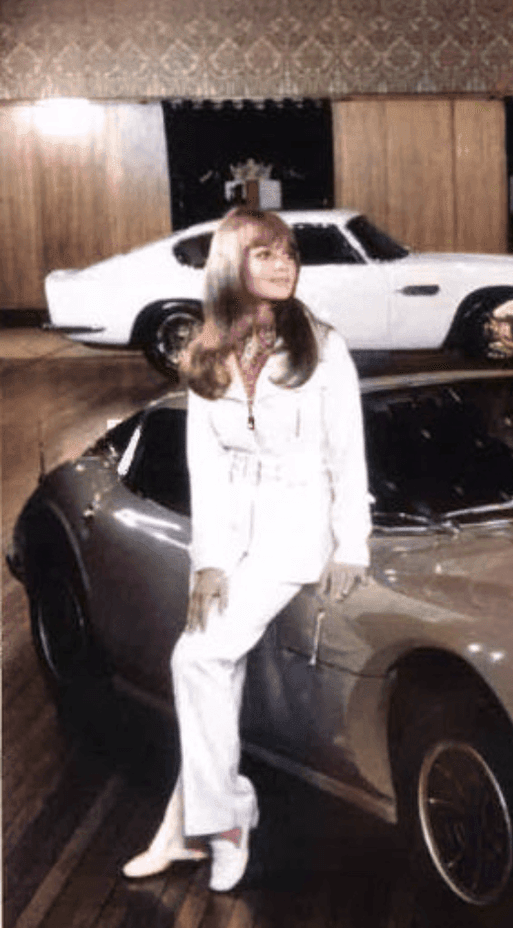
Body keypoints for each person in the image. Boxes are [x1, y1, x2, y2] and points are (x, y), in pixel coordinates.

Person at [122, 207, 371, 892]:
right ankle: (182, 831)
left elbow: (348, 456)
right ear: (232, 264)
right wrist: (208, 560)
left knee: (196, 655)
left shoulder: (324, 346)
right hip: (234, 531)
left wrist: (351, 542)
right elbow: (207, 467)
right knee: (215, 670)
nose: (283, 264)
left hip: (299, 526)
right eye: (264, 254)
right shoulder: (207, 352)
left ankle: (227, 821)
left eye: (288, 253)